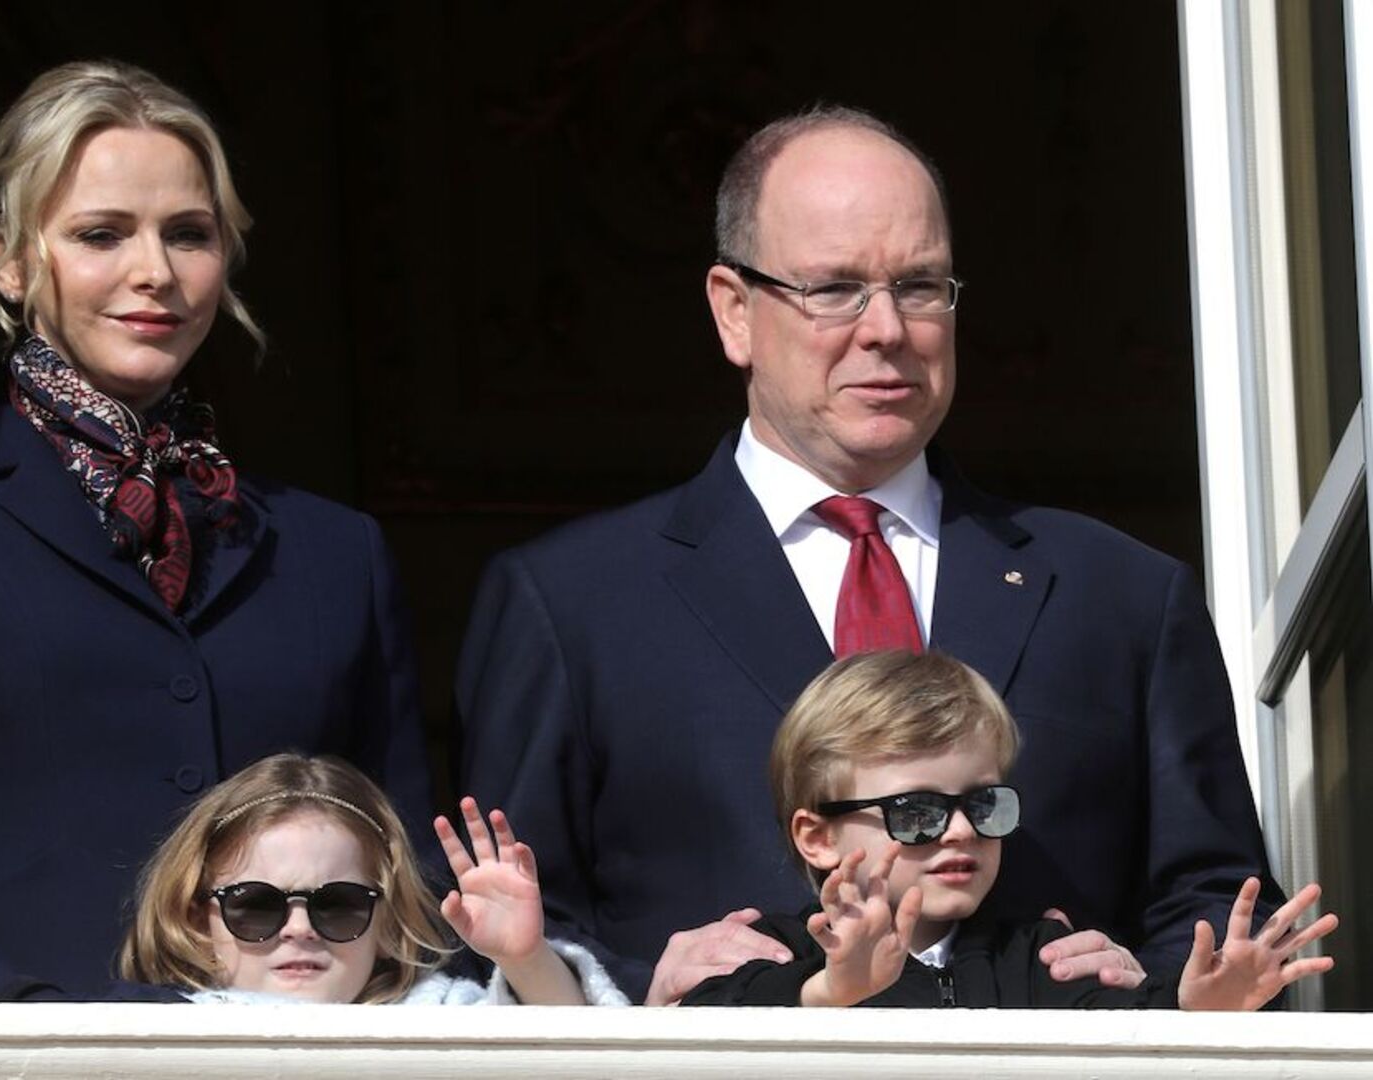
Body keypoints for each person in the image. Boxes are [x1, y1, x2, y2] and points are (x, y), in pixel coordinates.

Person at [456, 104, 1282, 1004]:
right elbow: (492, 931)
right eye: (835, 288)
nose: (886, 327)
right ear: (734, 313)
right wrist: (641, 992)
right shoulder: (572, 602)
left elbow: (1219, 910)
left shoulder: (1117, 592)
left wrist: (1153, 994)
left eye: (921, 286)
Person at [0, 61, 431, 1000]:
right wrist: (33, 1035)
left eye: (188, 234)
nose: (155, 272)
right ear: (8, 259)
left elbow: (409, 884)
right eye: (102, 235)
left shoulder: (333, 554)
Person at [682, 651, 1334, 1009]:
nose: (961, 831)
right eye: (917, 813)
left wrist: (1199, 1007)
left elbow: (1120, 1028)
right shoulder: (774, 953)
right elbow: (697, 1034)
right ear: (817, 836)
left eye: (984, 805)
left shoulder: (1037, 951)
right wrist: (829, 990)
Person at [122, 753, 626, 1004]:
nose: (299, 929)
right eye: (256, 905)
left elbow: (579, 1063)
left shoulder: (438, 1018)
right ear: (197, 922)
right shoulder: (156, 1033)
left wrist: (526, 961)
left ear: (388, 924)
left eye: (338, 904)